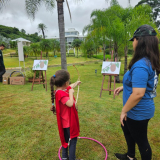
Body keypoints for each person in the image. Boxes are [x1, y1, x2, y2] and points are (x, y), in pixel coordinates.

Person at [114, 24, 160, 160]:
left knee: (142, 142)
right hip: (139, 110)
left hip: (138, 111)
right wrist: (124, 87)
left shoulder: (141, 64)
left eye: (133, 39)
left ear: (139, 41)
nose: (133, 43)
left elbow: (138, 93)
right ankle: (130, 156)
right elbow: (143, 83)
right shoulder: (149, 60)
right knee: (127, 130)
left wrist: (124, 110)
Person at [50, 69, 81, 160]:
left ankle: (64, 157)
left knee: (66, 139)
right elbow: (70, 103)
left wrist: (75, 83)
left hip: (65, 122)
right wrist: (71, 93)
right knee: (72, 140)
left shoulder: (58, 91)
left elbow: (69, 87)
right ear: (66, 82)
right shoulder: (61, 94)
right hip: (69, 123)